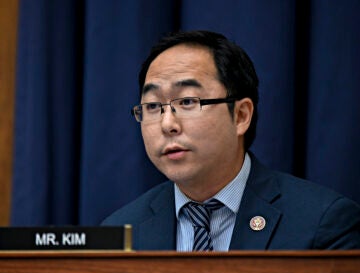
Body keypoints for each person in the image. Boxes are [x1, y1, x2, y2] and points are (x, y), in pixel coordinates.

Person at [102, 30, 360, 250]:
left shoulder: (323, 223)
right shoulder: (119, 232)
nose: (167, 124)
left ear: (240, 116)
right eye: (153, 106)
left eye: (188, 102)